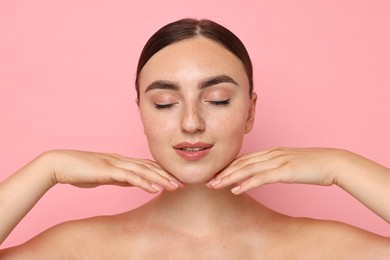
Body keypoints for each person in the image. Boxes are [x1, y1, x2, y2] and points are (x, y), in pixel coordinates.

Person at [0, 18, 389, 259]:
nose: (191, 123)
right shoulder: (80, 249)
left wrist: (342, 166)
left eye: (217, 100)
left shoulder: (322, 249)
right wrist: (44, 169)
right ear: (141, 112)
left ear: (250, 111)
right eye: (165, 103)